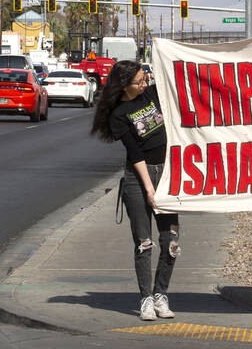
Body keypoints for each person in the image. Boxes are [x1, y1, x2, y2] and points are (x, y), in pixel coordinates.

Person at [91, 59, 179, 321]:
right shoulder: (118, 114)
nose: (144, 83)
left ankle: (161, 294)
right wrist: (150, 189)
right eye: (139, 81)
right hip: (138, 177)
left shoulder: (151, 94)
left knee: (171, 242)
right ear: (124, 85)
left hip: (167, 173)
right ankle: (146, 299)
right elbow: (135, 152)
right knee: (144, 243)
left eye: (145, 78)